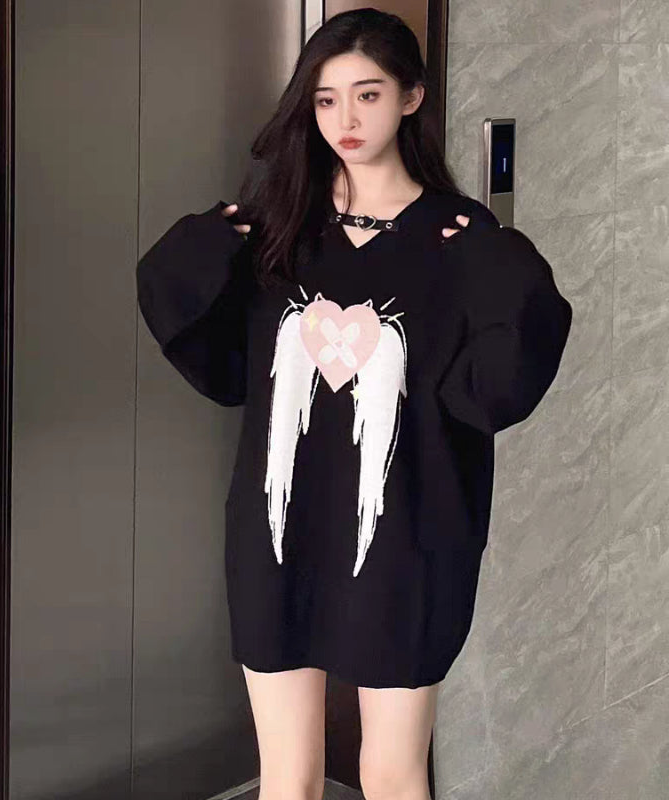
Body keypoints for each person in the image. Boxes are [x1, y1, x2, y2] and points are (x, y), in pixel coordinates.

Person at [136, 9, 573, 800]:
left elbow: (501, 381)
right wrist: (211, 237)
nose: (346, 118)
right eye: (327, 98)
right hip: (278, 532)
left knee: (393, 774)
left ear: (412, 97)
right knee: (288, 779)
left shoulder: (455, 237)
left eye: (368, 95)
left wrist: (497, 253)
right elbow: (212, 353)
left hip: (409, 539)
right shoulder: (277, 233)